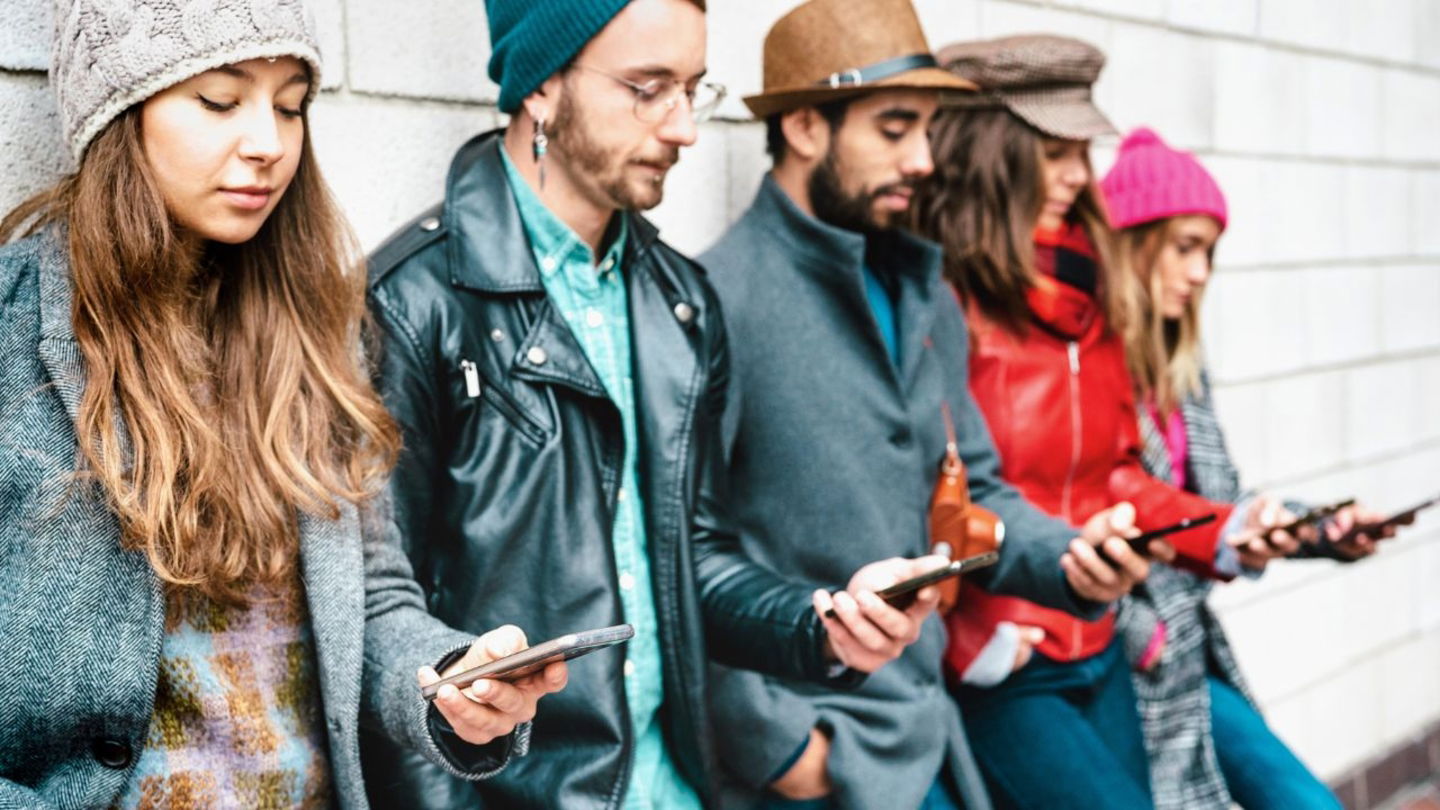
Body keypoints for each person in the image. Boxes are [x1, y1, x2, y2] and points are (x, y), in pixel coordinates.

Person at [361, 1, 944, 807]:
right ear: (542, 88)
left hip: (678, 785)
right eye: (647, 88)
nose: (685, 129)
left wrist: (821, 622)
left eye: (692, 90)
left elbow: (692, 555)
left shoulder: (683, 301)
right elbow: (375, 614)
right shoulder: (411, 301)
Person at [0, 2, 563, 807]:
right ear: (118, 113)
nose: (268, 142)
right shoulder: (13, 329)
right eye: (220, 101)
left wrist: (450, 685)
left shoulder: (316, 331)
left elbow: (372, 600)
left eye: (291, 104)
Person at [699, 6, 1154, 809]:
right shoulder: (716, 302)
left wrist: (1073, 557)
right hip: (819, 755)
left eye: (929, 131)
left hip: (930, 729)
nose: (923, 159)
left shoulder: (925, 291)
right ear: (805, 127)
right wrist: (778, 748)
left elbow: (973, 493)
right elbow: (683, 553)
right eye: (896, 129)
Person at [910, 35, 1300, 810]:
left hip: (1098, 642)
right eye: (1052, 150)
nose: (1074, 175)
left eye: (1079, 151)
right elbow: (923, 495)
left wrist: (1222, 531)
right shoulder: (939, 297)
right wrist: (968, 645)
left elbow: (1115, 474)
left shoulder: (1089, 289)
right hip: (1007, 661)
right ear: (989, 149)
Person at [1101, 126, 1400, 810]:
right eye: (1184, 247)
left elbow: (1225, 504)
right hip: (1122, 662)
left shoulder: (1179, 369)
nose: (1201, 272)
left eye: (1208, 251)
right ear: (1131, 242)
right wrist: (1141, 637)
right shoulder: (1086, 368)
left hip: (1189, 659)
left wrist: (1320, 528)